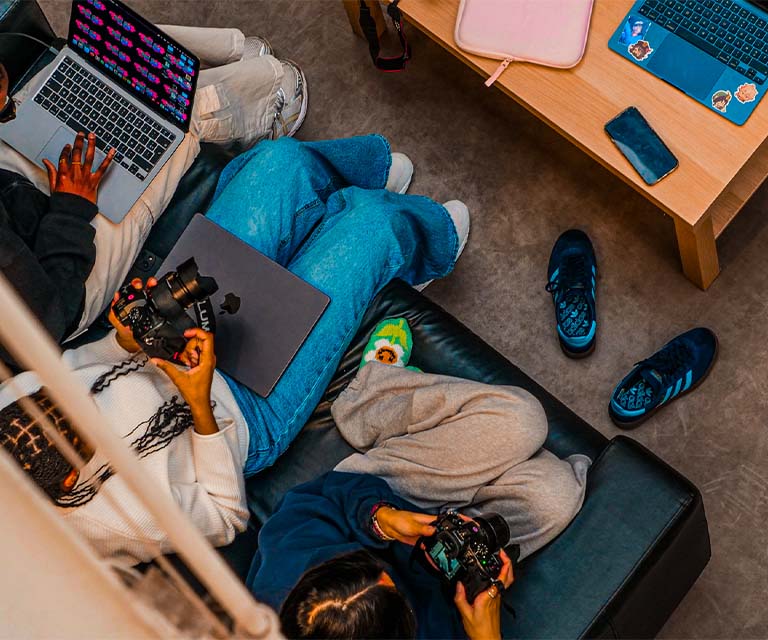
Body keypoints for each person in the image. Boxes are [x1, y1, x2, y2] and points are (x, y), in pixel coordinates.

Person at [0, 134, 470, 565]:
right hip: (239, 410)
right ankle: (427, 246)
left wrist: (123, 338)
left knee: (277, 161)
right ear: (71, 481)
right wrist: (201, 403)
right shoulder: (114, 521)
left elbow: (84, 364)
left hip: (169, 342)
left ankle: (352, 190)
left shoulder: (10, 405)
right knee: (371, 225)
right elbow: (227, 517)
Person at [246, 318, 591, 640]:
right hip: (446, 586)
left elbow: (310, 504)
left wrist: (381, 520)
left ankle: (370, 395)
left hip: (384, 499)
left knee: (523, 419)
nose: (389, 572)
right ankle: (476, 472)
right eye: (395, 589)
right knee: (557, 495)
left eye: (367, 564)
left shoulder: (283, 582)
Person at [0, 26, 306, 367]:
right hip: (62, 287)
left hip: (14, 199)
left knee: (92, 58)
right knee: (175, 125)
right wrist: (71, 207)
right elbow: (45, 320)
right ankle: (268, 102)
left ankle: (235, 59)